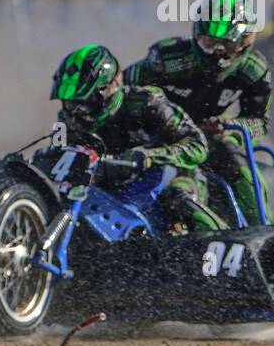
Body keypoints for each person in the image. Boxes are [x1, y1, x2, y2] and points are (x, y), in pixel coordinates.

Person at [124, 0, 274, 225]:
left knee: (232, 154)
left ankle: (268, 232)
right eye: (209, 42)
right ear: (196, 34)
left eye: (226, 43)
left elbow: (260, 122)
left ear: (246, 41)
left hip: (206, 141)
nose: (217, 52)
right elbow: (119, 91)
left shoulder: (253, 70)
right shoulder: (166, 58)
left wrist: (231, 129)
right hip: (153, 138)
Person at [46, 43, 217, 233]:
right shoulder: (67, 120)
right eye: (70, 102)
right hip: (115, 195)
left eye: (85, 102)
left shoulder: (147, 102)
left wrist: (149, 155)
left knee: (178, 197)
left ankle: (226, 243)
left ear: (109, 89)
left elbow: (198, 144)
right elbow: (58, 158)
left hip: (175, 178)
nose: (77, 110)